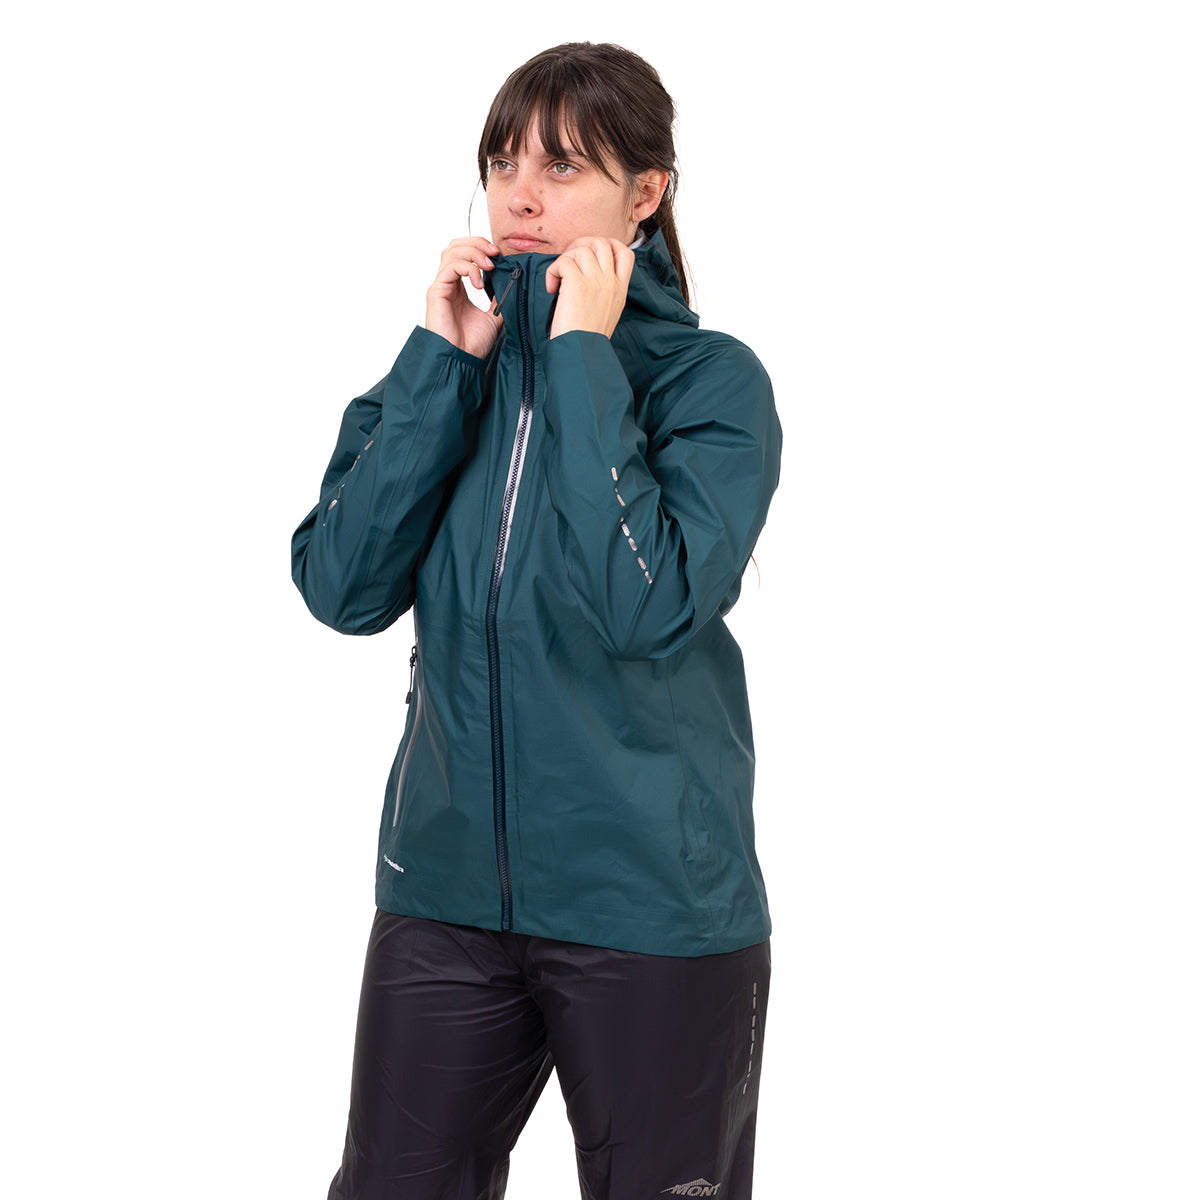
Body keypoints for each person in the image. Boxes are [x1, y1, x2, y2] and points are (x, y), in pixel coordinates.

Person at [292, 42, 782, 1200]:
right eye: (502, 163)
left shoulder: (710, 386)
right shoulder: (444, 377)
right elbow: (341, 588)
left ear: (646, 192)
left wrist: (580, 361)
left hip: (652, 906)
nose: (519, 195)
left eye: (562, 167)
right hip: (444, 897)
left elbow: (646, 604)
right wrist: (438, 367)